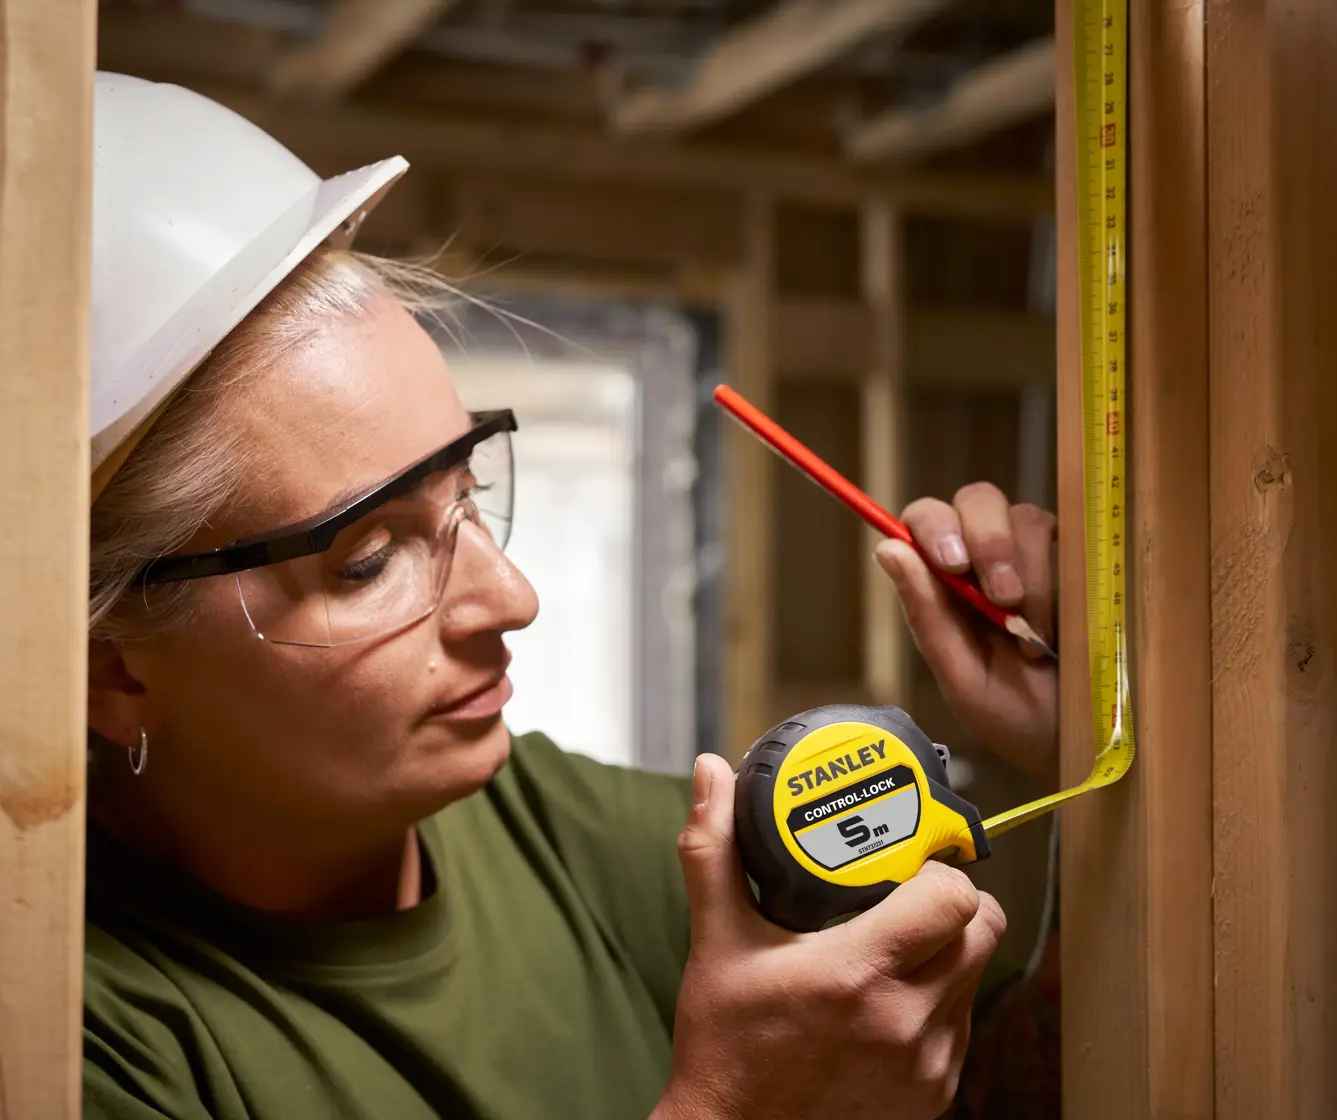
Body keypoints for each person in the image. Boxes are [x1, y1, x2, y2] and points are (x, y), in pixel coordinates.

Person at [81, 73, 1060, 1120]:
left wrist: (1102, 775)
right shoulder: (82, 1043)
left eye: (468, 494)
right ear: (112, 667)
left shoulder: (549, 827)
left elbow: (1004, 1089)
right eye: (368, 559)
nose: (511, 598)